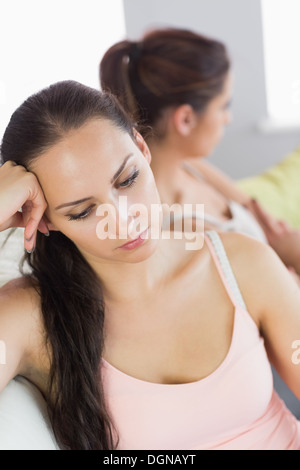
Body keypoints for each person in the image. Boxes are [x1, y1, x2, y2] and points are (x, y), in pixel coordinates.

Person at [0, 80, 299, 450]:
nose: (124, 221)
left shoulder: (241, 263)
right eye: (83, 211)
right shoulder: (30, 316)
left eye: (128, 179)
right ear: (42, 220)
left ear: (142, 148)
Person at [99, 27, 300, 275]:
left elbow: (260, 215)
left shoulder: (190, 167)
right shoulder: (184, 230)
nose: (228, 118)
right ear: (185, 119)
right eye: (223, 105)